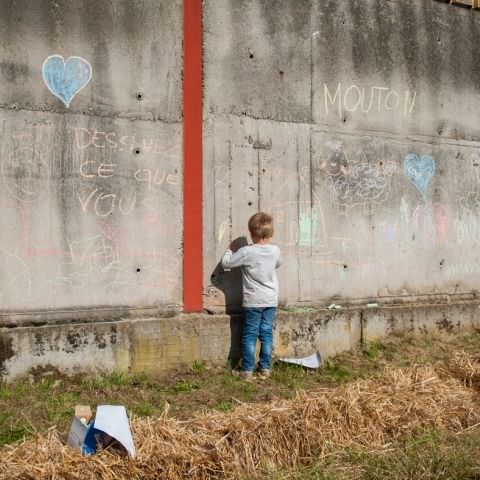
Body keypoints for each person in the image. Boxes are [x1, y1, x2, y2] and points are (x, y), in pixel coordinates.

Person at [221, 212, 282, 381]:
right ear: (271, 233)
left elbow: (227, 263)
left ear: (250, 233)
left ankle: (247, 370)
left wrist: (229, 250)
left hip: (253, 301)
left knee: (250, 335)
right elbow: (278, 263)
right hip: (270, 300)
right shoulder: (275, 250)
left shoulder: (246, 251)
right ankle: (265, 368)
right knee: (266, 334)